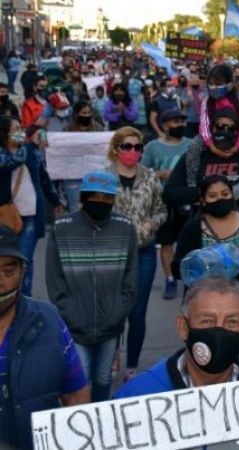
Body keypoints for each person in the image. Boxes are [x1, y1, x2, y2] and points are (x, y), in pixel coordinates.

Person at [114, 277, 239, 450]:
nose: (219, 332)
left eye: (232, 322)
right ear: (183, 327)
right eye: (207, 321)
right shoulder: (136, 396)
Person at [45, 171, 138, 402]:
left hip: (112, 324)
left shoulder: (125, 228)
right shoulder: (62, 228)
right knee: (81, 378)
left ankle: (102, 424)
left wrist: (120, 311)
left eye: (108, 198)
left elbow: (131, 277)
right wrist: (68, 313)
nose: (102, 203)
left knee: (104, 378)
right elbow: (54, 279)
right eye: (95, 197)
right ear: (82, 198)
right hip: (76, 324)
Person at [0, 224, 89, 450]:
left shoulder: (49, 322)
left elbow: (76, 398)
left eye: (8, 271)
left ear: (23, 271)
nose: (0, 281)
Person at [105, 126, 166, 381]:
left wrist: (152, 224)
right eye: (127, 146)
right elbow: (90, 210)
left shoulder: (150, 177)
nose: (132, 151)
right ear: (116, 148)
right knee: (113, 309)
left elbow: (161, 209)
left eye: (137, 147)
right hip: (113, 253)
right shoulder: (103, 177)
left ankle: (132, 366)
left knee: (138, 312)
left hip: (144, 252)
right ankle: (112, 356)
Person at [172, 175, 239, 324]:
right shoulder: (193, 228)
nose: (220, 199)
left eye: (225, 194)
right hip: (203, 305)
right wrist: (199, 264)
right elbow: (176, 269)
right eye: (213, 196)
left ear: (232, 194)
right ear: (203, 200)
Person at [0, 117, 62, 297]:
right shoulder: (13, 153)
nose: (20, 132)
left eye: (21, 128)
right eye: (15, 129)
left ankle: (24, 300)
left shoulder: (30, 152)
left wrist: (55, 200)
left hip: (31, 215)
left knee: (25, 260)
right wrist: (29, 147)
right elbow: (8, 164)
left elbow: (44, 177)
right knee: (6, 260)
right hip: (5, 215)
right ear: (4, 133)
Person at [143, 109, 192, 300]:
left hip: (188, 199)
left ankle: (190, 278)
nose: (180, 125)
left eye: (182, 121)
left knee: (190, 242)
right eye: (175, 122)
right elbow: (143, 173)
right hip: (163, 201)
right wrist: (160, 174)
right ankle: (170, 278)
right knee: (166, 242)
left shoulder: (192, 145)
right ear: (164, 125)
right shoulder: (152, 147)